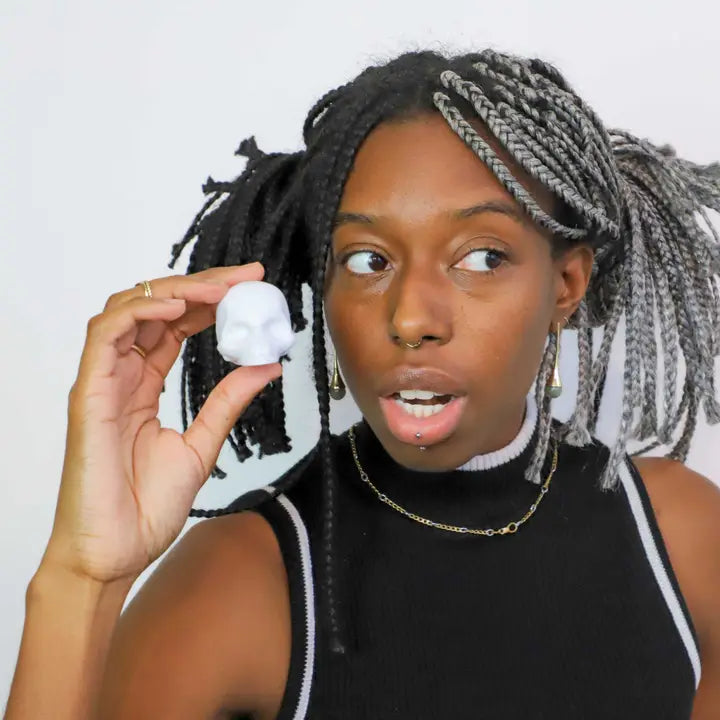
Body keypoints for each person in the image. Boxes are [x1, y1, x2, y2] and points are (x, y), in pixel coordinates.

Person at [5, 48, 720, 720]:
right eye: (368, 260)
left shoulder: (682, 539)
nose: (409, 318)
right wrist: (83, 577)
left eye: (480, 257)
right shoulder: (237, 584)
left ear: (566, 283)